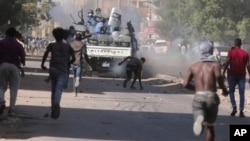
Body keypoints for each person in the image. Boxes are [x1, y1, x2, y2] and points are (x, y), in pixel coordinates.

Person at [182, 41, 228, 141]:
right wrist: (224, 89)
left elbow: (185, 84)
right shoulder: (215, 65)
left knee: (198, 111)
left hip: (199, 96)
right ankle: (203, 122)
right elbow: (219, 77)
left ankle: (200, 118)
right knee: (210, 127)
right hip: (211, 96)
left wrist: (196, 89)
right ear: (211, 51)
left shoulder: (194, 66)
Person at [41, 27, 75, 119]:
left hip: (53, 69)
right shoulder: (67, 46)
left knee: (53, 89)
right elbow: (74, 58)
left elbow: (45, 54)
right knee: (59, 89)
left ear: (54, 36)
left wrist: (42, 64)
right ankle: (56, 104)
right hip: (63, 70)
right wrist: (68, 64)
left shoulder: (52, 45)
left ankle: (53, 109)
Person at [0, 27, 26, 116]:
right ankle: (11, 109)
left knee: (2, 86)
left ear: (6, 34)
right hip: (14, 67)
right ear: (15, 35)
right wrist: (23, 62)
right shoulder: (18, 45)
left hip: (2, 65)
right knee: (14, 89)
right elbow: (22, 58)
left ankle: (1, 101)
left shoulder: (1, 43)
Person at [222, 38, 250, 117]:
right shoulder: (245, 53)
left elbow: (227, 63)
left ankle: (234, 107)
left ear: (235, 44)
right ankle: (241, 110)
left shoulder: (231, 52)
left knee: (231, 91)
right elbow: (248, 66)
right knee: (241, 93)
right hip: (241, 75)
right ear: (241, 44)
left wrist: (223, 73)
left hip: (232, 74)